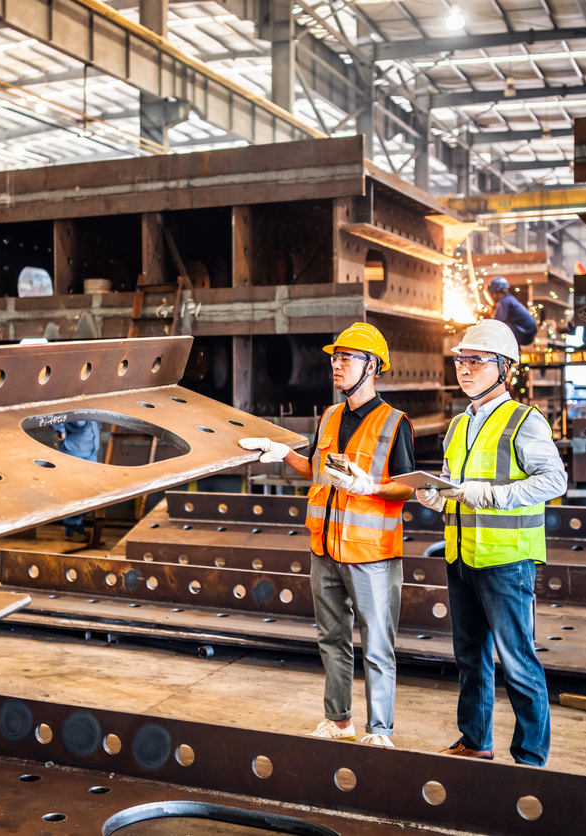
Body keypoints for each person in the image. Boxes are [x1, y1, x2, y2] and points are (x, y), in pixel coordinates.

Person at [239, 322, 414, 748]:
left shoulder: (394, 423)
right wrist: (283, 454)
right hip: (325, 548)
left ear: (371, 366)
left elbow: (409, 485)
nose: (336, 365)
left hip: (370, 554)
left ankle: (380, 731)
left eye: (346, 358)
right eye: (334, 358)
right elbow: (318, 469)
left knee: (377, 645)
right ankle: (339, 721)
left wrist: (370, 487)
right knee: (332, 639)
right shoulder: (331, 416)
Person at [415, 319, 566, 767]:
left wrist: (493, 495)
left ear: (504, 368)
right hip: (462, 555)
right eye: (461, 360)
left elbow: (554, 479)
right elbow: (457, 486)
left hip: (506, 561)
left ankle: (531, 759)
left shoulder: (524, 420)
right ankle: (475, 740)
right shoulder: (460, 424)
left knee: (518, 661)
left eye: (476, 361)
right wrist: (434, 494)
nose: (465, 369)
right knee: (470, 657)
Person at [53, 420, 100, 542]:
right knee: (75, 491)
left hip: (90, 449)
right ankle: (72, 528)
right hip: (74, 450)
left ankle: (76, 525)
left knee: (91, 490)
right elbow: (56, 411)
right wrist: (60, 429)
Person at [485, 276, 538, 347]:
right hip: (528, 331)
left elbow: (498, 322)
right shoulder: (509, 299)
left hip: (524, 332)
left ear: (496, 292)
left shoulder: (504, 301)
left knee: (500, 328)